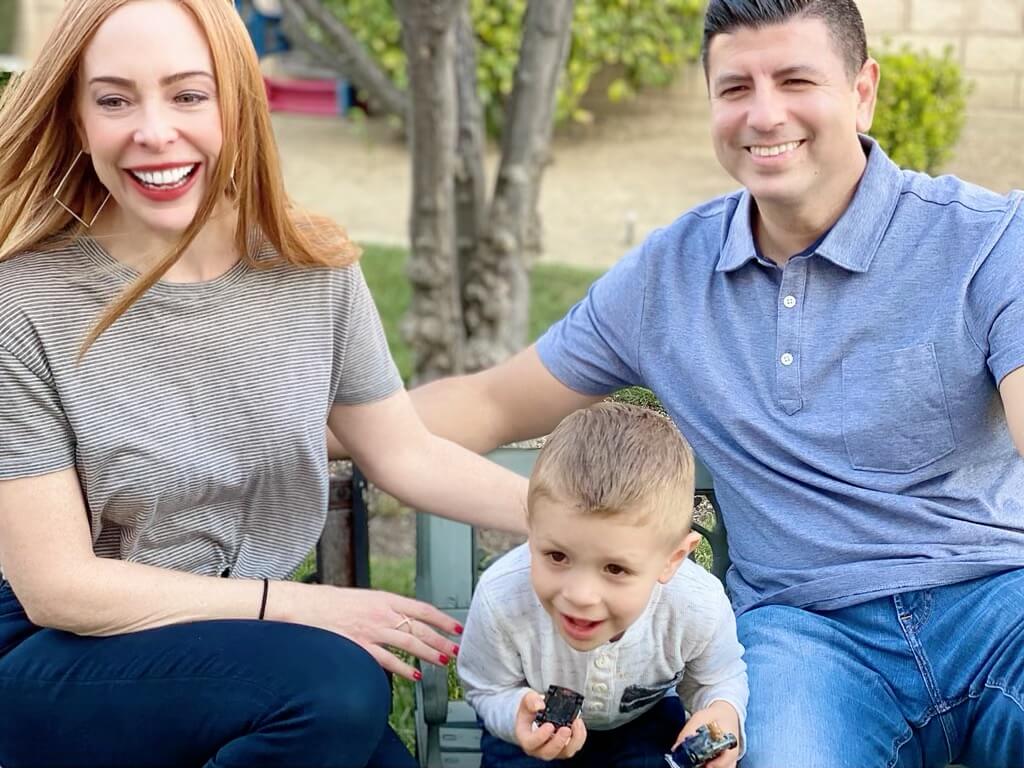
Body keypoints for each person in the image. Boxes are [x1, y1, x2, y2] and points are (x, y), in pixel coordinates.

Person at [406, 1, 1024, 766]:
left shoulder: (989, 239)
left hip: (1000, 603)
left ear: (862, 91)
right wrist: (306, 420)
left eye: (796, 79)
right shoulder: (668, 277)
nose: (764, 115)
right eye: (736, 89)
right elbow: (492, 400)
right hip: (808, 635)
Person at [0, 1, 527, 766]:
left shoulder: (311, 271)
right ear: (77, 120)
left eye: (189, 94)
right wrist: (302, 607)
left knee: (359, 735)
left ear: (239, 105)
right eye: (113, 99)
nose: (153, 131)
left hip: (240, 652)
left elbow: (406, 454)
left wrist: (566, 523)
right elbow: (59, 587)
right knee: (340, 691)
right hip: (60, 654)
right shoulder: (23, 300)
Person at [457, 402, 747, 768]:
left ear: (671, 560)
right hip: (532, 725)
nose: (579, 595)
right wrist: (515, 714)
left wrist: (721, 711)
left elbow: (718, 678)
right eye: (557, 556)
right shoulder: (502, 597)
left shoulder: (695, 605)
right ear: (532, 530)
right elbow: (487, 688)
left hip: (641, 724)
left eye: (615, 568)